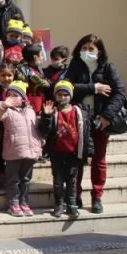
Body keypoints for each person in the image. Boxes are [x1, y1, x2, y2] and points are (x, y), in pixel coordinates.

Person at [65, 34, 126, 214]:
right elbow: (66, 87)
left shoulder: (107, 68)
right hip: (79, 118)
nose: (87, 52)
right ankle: (75, 195)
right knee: (77, 159)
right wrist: (93, 88)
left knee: (98, 159)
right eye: (84, 48)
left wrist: (107, 116)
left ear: (99, 51)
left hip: (101, 120)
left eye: (91, 49)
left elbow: (119, 93)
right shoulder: (75, 66)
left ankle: (97, 196)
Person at [39, 81, 95, 218]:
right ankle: (58, 204)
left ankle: (71, 205)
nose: (62, 97)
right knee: (58, 180)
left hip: (73, 153)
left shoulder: (79, 112)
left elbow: (87, 134)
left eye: (65, 94)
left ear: (70, 96)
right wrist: (46, 116)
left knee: (72, 180)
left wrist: (89, 152)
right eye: (59, 94)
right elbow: (44, 131)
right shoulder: (52, 112)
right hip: (57, 152)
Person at [0, 81, 43, 217]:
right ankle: (13, 203)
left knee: (25, 179)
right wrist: (3, 104)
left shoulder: (31, 111)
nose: (13, 98)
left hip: (30, 151)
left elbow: (36, 129)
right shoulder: (6, 111)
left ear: (23, 97)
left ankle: (24, 202)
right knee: (13, 179)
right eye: (10, 95)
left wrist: (40, 143)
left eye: (16, 95)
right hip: (13, 151)